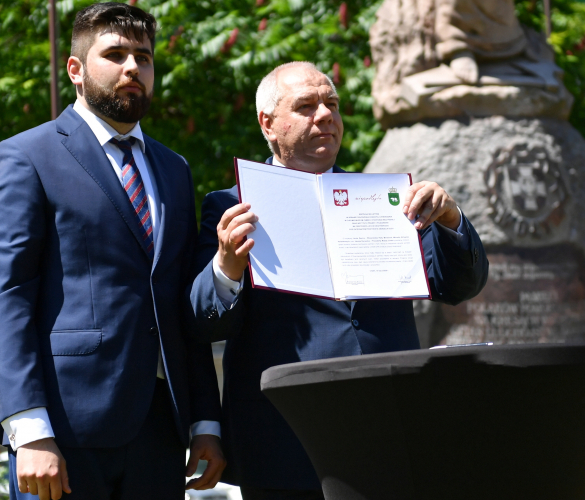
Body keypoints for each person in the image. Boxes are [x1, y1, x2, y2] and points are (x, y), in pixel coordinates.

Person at [189, 61, 489, 499]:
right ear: (267, 124)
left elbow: (459, 285)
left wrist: (450, 220)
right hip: (286, 434)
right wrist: (227, 266)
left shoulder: (383, 200)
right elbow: (204, 321)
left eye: (331, 103)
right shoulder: (230, 207)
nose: (325, 115)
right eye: (306, 106)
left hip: (389, 424)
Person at [0, 4, 225, 499]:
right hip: (63, 431)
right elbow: (7, 299)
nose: (133, 67)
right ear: (75, 70)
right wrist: (30, 431)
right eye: (114, 54)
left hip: (160, 429)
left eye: (144, 57)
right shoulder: (26, 156)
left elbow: (178, 302)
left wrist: (206, 421)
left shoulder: (173, 169)